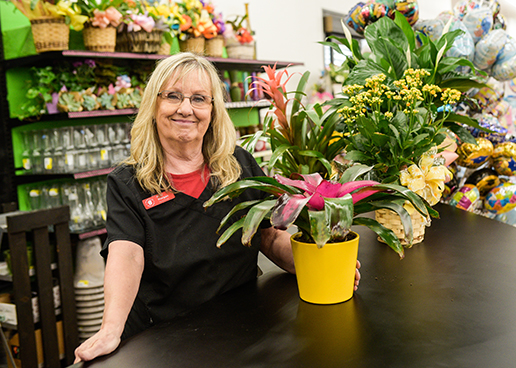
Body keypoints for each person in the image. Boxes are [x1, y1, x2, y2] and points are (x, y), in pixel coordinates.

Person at [74, 52, 360, 362]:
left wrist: (316, 266)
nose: (186, 109)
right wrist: (109, 329)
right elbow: (126, 253)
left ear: (212, 110)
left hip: (239, 330)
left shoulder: (238, 164)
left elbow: (267, 234)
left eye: (199, 99)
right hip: (162, 340)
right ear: (154, 105)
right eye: (173, 96)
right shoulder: (128, 181)